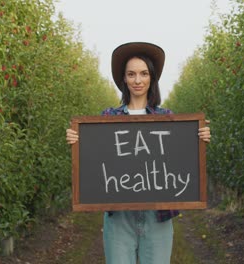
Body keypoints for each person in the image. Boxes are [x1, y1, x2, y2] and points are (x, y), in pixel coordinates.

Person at [66, 42, 211, 264]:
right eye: (131, 74)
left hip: (158, 216)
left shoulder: (167, 118)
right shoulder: (108, 117)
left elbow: (180, 156)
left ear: (151, 77)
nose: (137, 80)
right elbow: (95, 156)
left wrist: (198, 137)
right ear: (124, 78)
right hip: (119, 216)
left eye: (143, 74)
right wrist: (77, 141)